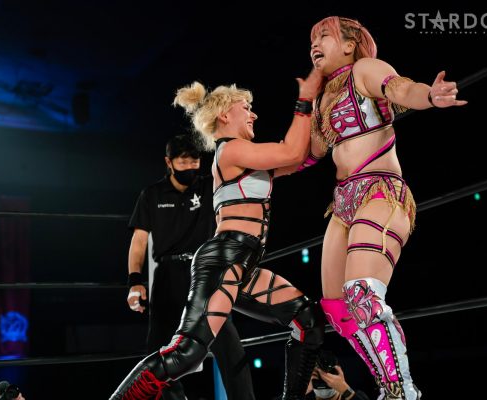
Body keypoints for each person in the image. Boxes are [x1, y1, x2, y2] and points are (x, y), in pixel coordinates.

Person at [109, 68, 328, 400]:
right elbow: (292, 152)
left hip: (244, 265)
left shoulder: (247, 157)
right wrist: (305, 101)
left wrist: (332, 111)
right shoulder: (231, 150)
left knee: (307, 320)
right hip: (224, 260)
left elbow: (308, 156)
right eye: (246, 108)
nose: (254, 114)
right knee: (186, 353)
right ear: (225, 115)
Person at [297, 16, 466, 399]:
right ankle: (387, 385)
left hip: (379, 190)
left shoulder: (364, 69)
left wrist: (430, 96)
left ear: (350, 44)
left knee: (362, 294)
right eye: (312, 40)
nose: (315, 45)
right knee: (338, 310)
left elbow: (400, 88)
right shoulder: (323, 97)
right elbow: (308, 153)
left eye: (324, 36)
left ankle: (401, 392)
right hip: (343, 203)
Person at [126, 134, 255, 399]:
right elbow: (139, 241)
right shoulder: (151, 194)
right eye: (183, 161)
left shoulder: (210, 186)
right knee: (158, 350)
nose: (189, 166)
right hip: (167, 276)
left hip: (206, 273)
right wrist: (135, 281)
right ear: (168, 162)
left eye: (194, 161)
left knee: (228, 346)